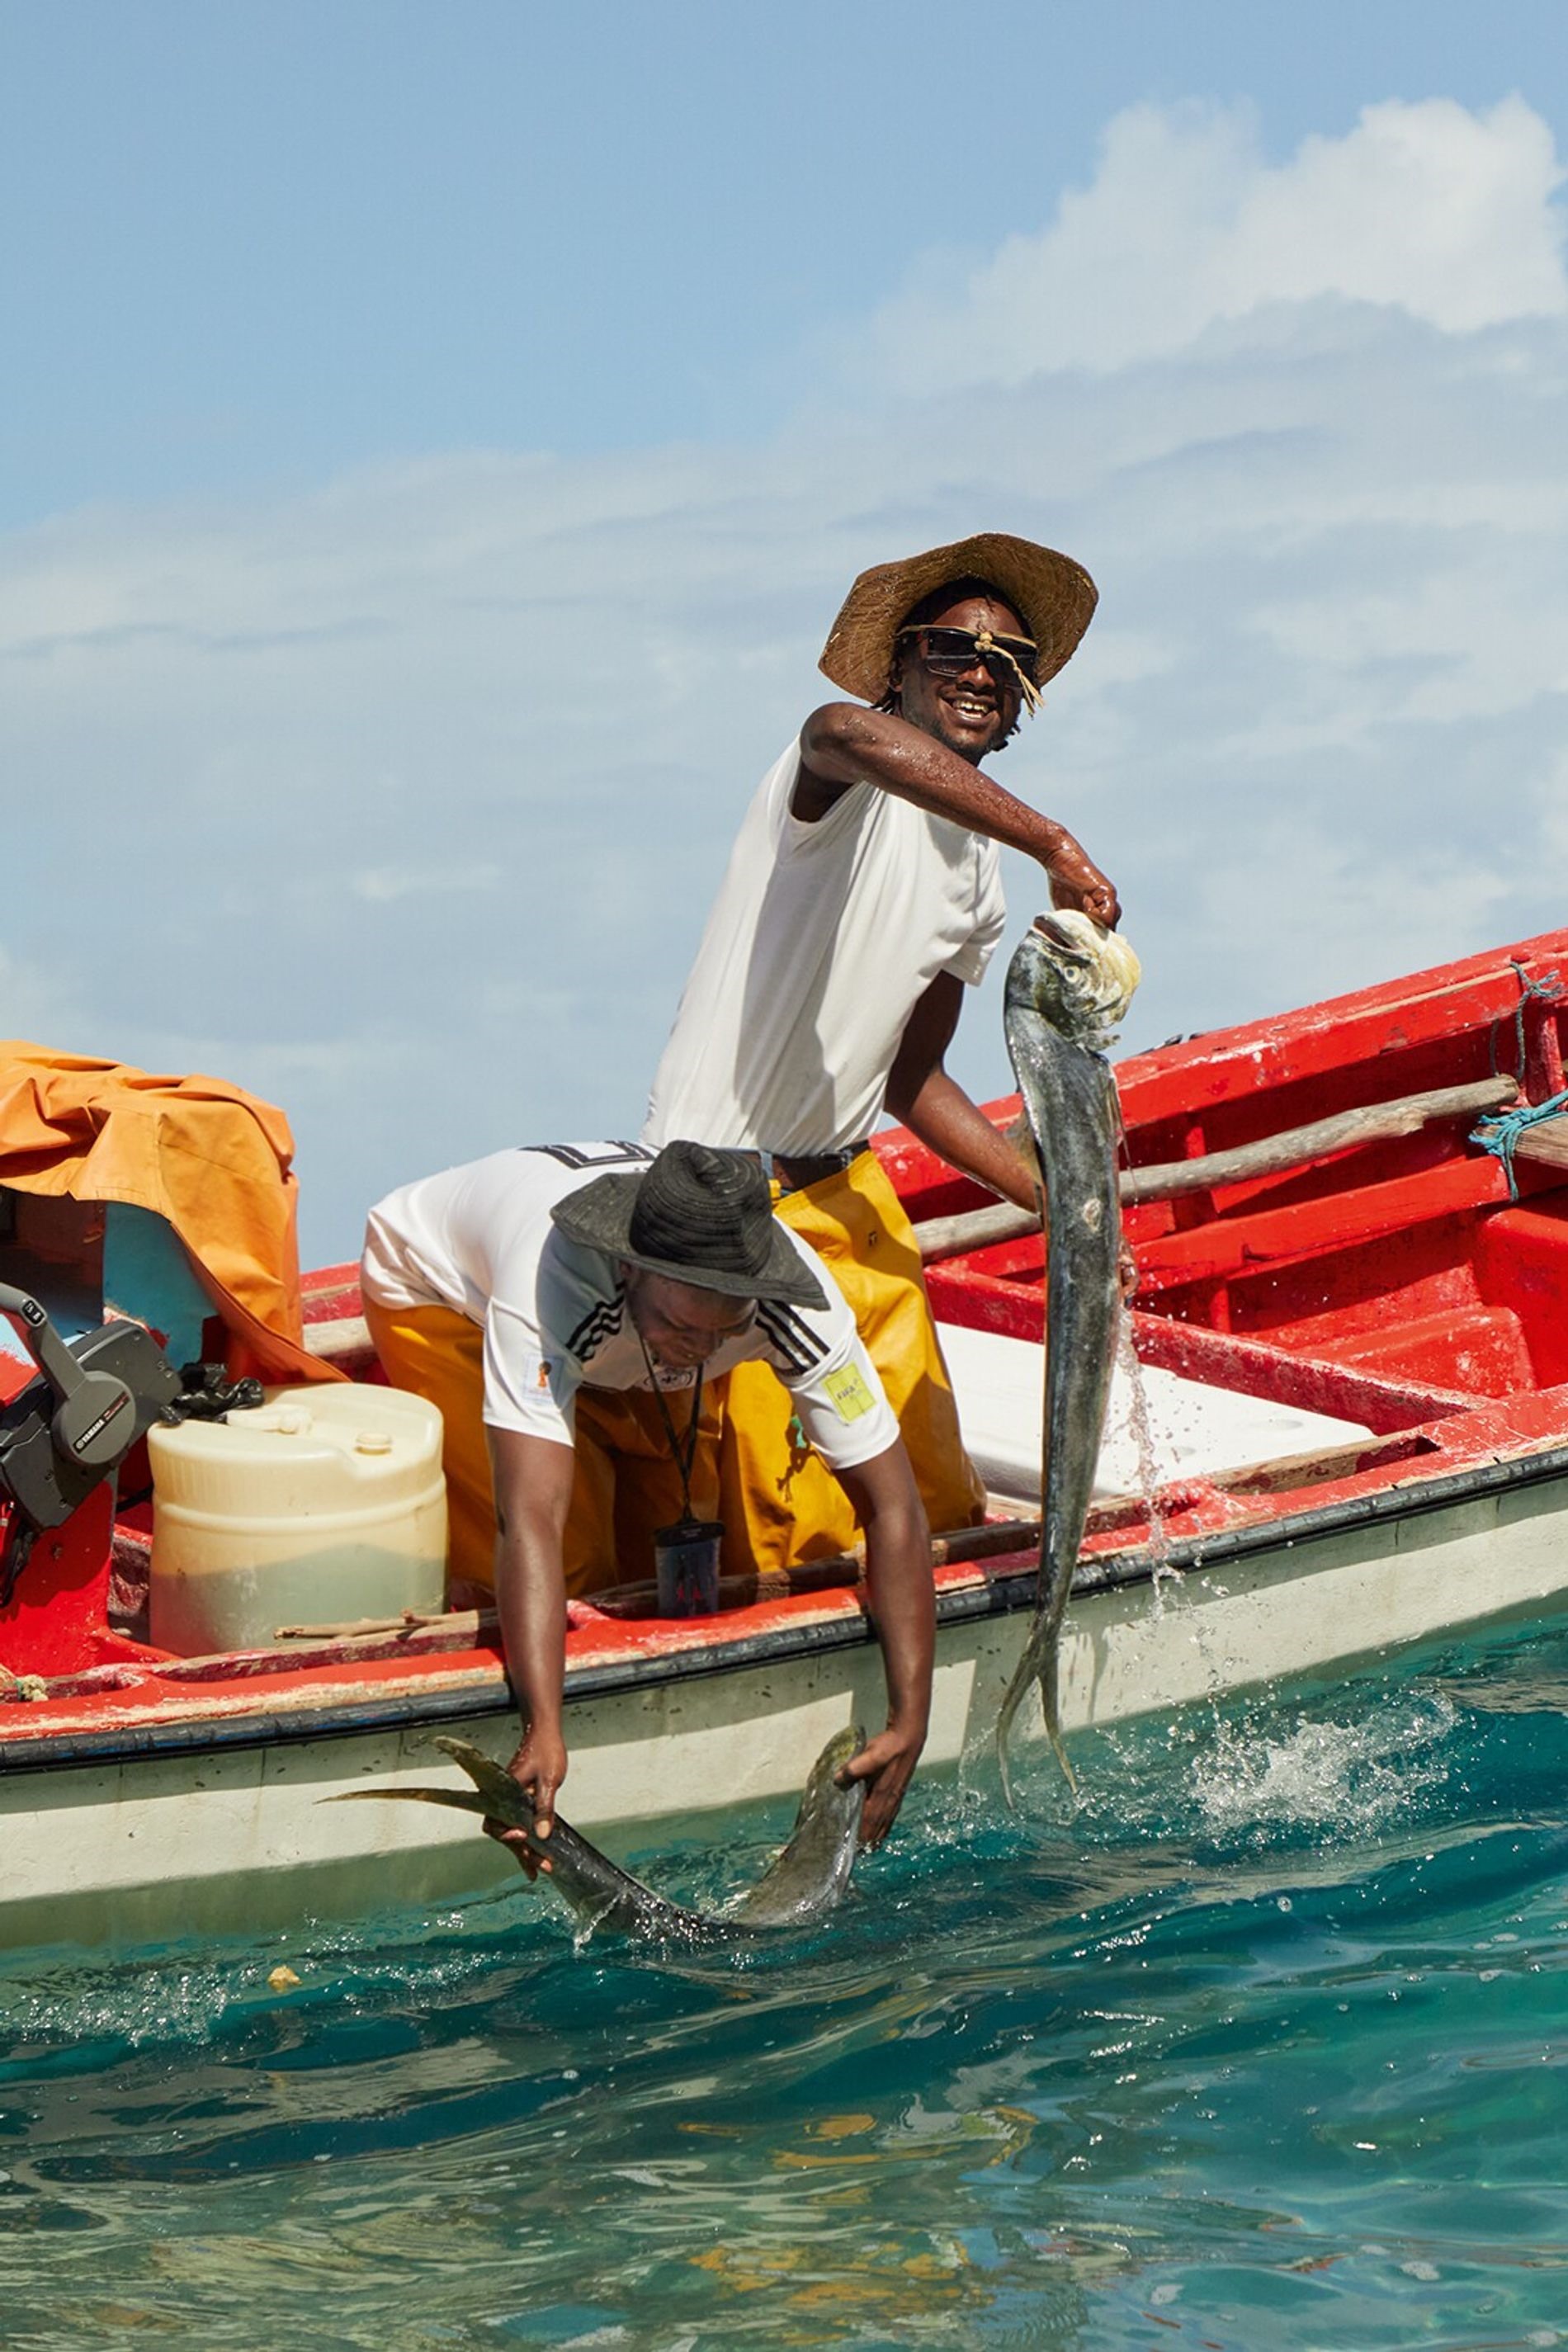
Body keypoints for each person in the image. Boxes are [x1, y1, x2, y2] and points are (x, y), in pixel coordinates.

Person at [643, 531, 1121, 1572]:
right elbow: (837, 733)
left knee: (940, 1506)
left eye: (1009, 662)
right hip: (720, 1199)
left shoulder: (978, 878)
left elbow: (911, 1079)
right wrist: (1056, 841)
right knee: (804, 1532)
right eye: (954, 648)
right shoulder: (836, 778)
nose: (981, 674)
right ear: (900, 665)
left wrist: (1059, 1200)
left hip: (847, 1188)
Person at [361, 1138, 933, 1848]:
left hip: (619, 1344)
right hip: (442, 1298)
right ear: (631, 1268)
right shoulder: (545, 1286)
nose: (700, 1348)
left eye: (724, 1332)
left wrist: (911, 1720)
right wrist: (544, 1726)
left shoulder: (797, 1305)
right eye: (686, 1327)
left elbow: (892, 1504)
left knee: (665, 1567)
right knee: (574, 1568)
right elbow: (529, 1518)